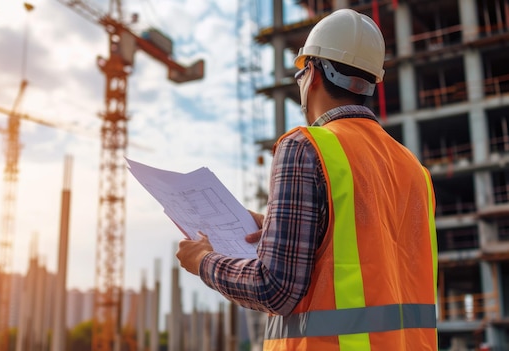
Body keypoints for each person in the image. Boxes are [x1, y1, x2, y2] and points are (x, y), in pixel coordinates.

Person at [175, 8, 438, 351]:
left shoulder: (306, 146)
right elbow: (372, 247)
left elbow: (275, 289)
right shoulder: (413, 168)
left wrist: (203, 261)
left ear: (311, 73)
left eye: (301, 72)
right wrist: (277, 224)